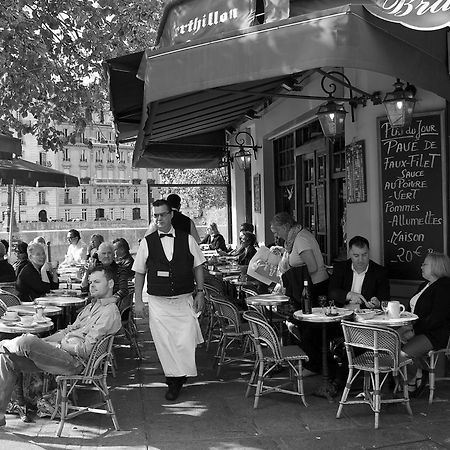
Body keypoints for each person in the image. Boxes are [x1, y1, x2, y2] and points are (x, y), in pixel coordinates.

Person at [0, 266, 121, 427]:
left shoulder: (109, 312)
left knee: (26, 341)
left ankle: (3, 344)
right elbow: (66, 331)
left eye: (97, 282)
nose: (91, 285)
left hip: (76, 363)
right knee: (8, 358)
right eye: (91, 282)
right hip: (61, 354)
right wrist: (45, 342)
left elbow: (85, 350)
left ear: (111, 283)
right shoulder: (92, 306)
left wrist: (60, 343)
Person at [133, 199, 205, 401]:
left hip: (183, 299)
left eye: (162, 214)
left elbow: (198, 265)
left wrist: (200, 292)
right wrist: (138, 300)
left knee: (185, 340)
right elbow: (139, 272)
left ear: (171, 214)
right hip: (158, 302)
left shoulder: (187, 239)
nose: (159, 219)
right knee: (164, 343)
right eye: (155, 215)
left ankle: (180, 374)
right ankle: (173, 380)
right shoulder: (147, 242)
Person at [401, 252, 450, 396]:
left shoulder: (444, 287)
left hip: (434, 334)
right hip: (417, 329)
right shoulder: (425, 284)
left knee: (402, 355)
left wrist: (413, 331)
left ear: (436, 267)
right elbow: (412, 309)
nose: (421, 266)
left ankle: (411, 381)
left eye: (425, 264)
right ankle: (416, 372)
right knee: (390, 343)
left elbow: (437, 318)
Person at [270, 212, 329, 301]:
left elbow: (312, 267)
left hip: (313, 287)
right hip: (307, 286)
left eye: (276, 232)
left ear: (285, 227)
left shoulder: (301, 239)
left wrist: (293, 275)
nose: (276, 235)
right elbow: (297, 256)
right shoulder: (294, 238)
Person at [328, 235, 390, 309]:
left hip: (367, 317)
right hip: (342, 314)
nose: (360, 260)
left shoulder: (380, 272)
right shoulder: (340, 268)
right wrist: (350, 295)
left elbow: (385, 300)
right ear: (350, 253)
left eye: (364, 255)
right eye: (356, 256)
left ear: (369, 252)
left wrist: (378, 303)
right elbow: (332, 292)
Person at [81, 242, 129, 309]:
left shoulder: (121, 270)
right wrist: (87, 271)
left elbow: (123, 290)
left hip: (112, 306)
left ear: (113, 255)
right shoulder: (95, 269)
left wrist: (108, 301)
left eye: (109, 253)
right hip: (93, 303)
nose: (106, 256)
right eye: (103, 253)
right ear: (99, 256)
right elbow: (84, 288)